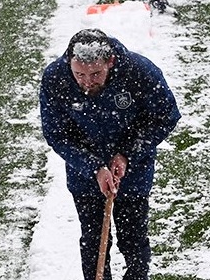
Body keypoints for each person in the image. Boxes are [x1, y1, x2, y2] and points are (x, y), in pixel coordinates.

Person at [40, 28, 181, 280]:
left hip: (133, 167)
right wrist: (94, 166)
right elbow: (56, 134)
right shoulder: (55, 78)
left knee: (133, 235)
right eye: (79, 74)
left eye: (95, 74)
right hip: (85, 171)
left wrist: (126, 154)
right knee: (94, 238)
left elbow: (166, 115)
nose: (87, 82)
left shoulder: (139, 71)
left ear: (110, 61)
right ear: (69, 63)